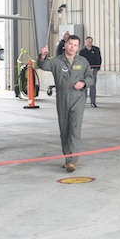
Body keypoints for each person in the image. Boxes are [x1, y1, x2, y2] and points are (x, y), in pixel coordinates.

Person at [38, 35, 94, 172]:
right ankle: (68, 157)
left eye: (75, 45)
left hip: (78, 99)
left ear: (78, 47)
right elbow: (43, 65)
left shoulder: (83, 61)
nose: (72, 47)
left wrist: (84, 83)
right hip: (62, 99)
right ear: (65, 45)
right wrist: (42, 56)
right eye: (70, 44)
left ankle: (72, 161)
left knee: (74, 129)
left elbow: (90, 78)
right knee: (64, 130)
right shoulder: (57, 61)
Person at [78, 36, 102, 107]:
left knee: (92, 85)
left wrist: (95, 68)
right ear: (85, 42)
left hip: (93, 70)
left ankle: (93, 102)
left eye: (91, 41)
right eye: (88, 41)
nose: (89, 43)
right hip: (84, 71)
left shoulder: (96, 49)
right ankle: (83, 102)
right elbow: (80, 61)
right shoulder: (82, 51)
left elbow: (99, 60)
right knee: (84, 85)